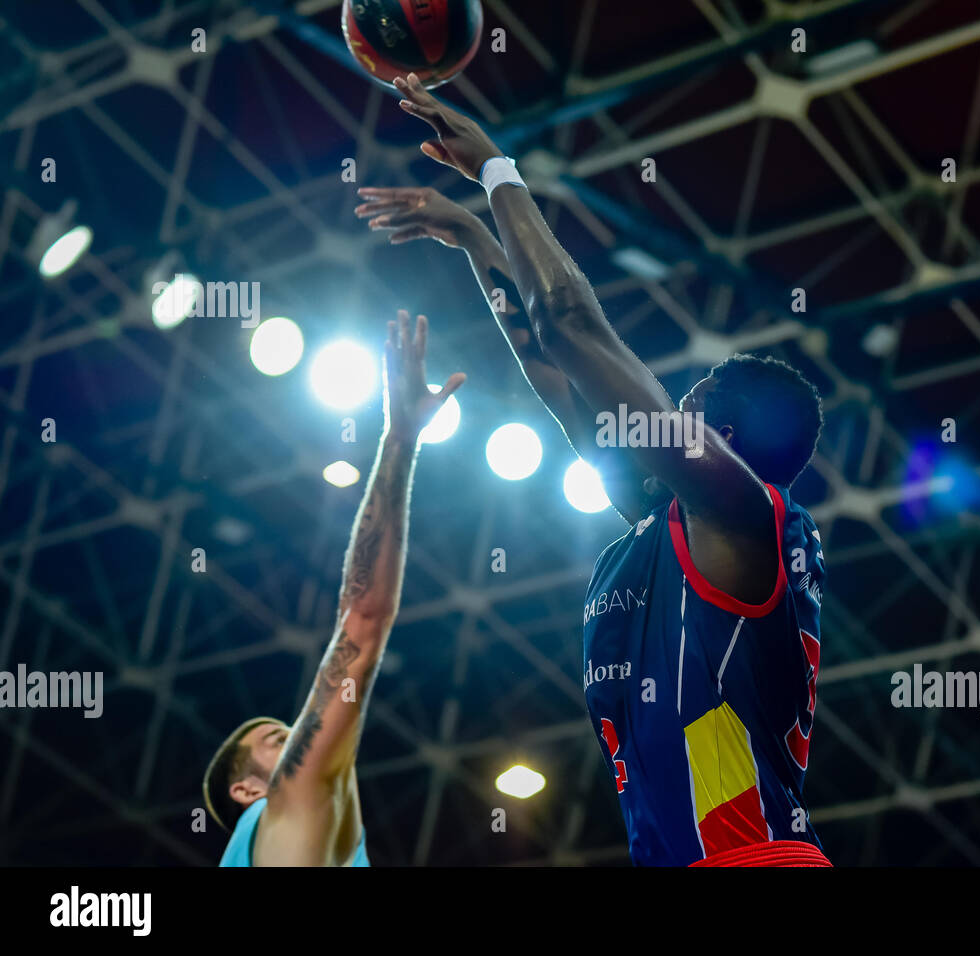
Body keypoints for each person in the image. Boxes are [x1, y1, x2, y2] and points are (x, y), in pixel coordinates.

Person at [359, 73, 829, 866]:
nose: (665, 409)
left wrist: (498, 172)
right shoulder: (669, 525)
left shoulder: (747, 521)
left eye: (686, 400)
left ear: (717, 434)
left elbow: (570, 327)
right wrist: (475, 238)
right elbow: (553, 369)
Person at [201, 310, 464, 866]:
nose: (298, 731)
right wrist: (400, 438)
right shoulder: (282, 807)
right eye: (278, 740)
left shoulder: (329, 834)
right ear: (248, 790)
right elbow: (362, 620)